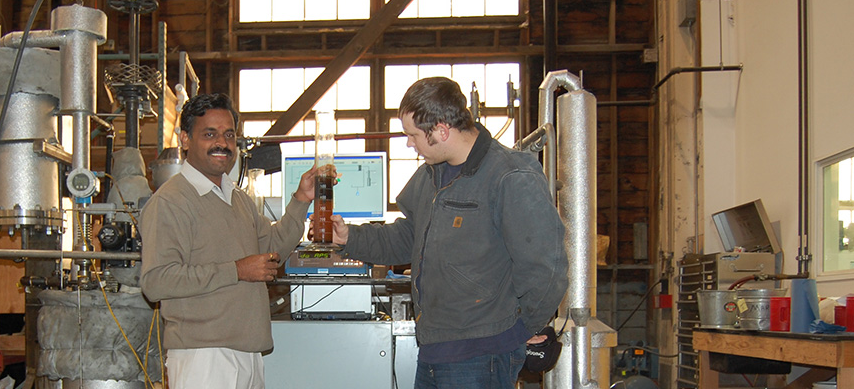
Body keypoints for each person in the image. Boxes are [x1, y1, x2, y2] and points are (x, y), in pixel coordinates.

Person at [329, 77, 568, 388]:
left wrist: (522, 329)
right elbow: (408, 237)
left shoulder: (510, 175)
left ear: (441, 131)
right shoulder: (430, 175)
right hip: (434, 348)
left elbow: (546, 267)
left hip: (483, 354)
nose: (409, 144)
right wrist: (350, 238)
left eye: (413, 135)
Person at [140, 93, 319, 389]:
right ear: (185, 139)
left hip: (248, 353)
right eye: (209, 134)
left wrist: (301, 199)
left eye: (229, 135)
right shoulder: (171, 202)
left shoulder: (237, 198)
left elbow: (272, 249)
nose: (222, 143)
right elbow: (156, 281)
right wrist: (237, 270)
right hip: (203, 359)